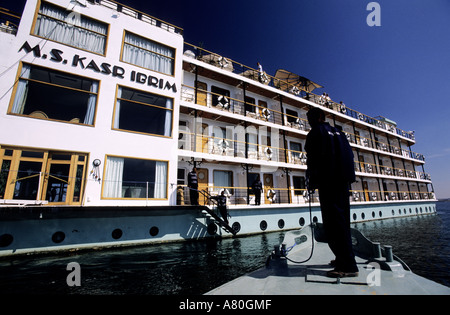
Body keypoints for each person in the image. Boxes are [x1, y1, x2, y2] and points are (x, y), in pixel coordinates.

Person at [305, 107, 358, 278]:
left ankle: (347, 267)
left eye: (310, 116)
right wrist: (349, 179)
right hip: (343, 183)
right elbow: (349, 156)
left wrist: (311, 181)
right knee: (343, 222)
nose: (308, 120)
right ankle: (343, 258)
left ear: (319, 117)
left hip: (328, 183)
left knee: (332, 224)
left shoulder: (315, 133)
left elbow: (312, 159)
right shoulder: (339, 133)